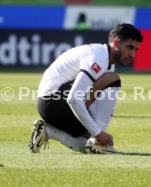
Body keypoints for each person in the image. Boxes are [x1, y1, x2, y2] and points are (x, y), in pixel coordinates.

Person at [29, 23, 143, 154]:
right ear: (116, 43)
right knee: (113, 79)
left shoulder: (106, 60)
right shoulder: (98, 57)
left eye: (136, 50)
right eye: (130, 47)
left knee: (87, 144)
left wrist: (92, 132)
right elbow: (73, 99)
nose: (133, 54)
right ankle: (98, 143)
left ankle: (49, 132)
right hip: (53, 102)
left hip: (51, 105)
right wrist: (98, 133)